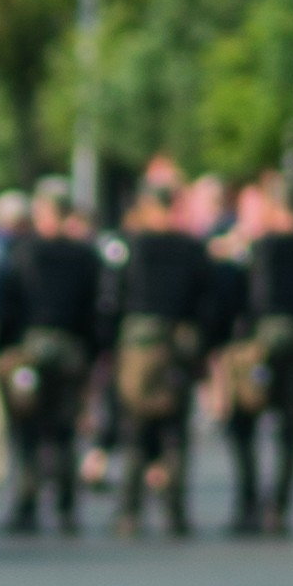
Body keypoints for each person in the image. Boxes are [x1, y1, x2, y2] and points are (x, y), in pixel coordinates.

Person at [214, 188, 293, 538]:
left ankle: (248, 504)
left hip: (257, 345)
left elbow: (233, 298)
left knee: (243, 424)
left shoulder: (258, 249)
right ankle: (279, 507)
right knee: (291, 429)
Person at [0, 177, 103, 536]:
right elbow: (95, 310)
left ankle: (26, 504)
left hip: (30, 351)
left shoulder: (22, 253)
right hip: (70, 351)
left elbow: (7, 305)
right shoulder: (85, 256)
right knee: (65, 430)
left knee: (27, 431)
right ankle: (67, 507)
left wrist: (3, 348)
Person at [105, 182, 212, 536]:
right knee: (175, 432)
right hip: (179, 345)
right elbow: (209, 300)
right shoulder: (192, 249)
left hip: (139, 345)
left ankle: (129, 511)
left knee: (135, 428)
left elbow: (112, 300)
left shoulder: (131, 247)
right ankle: (175, 512)